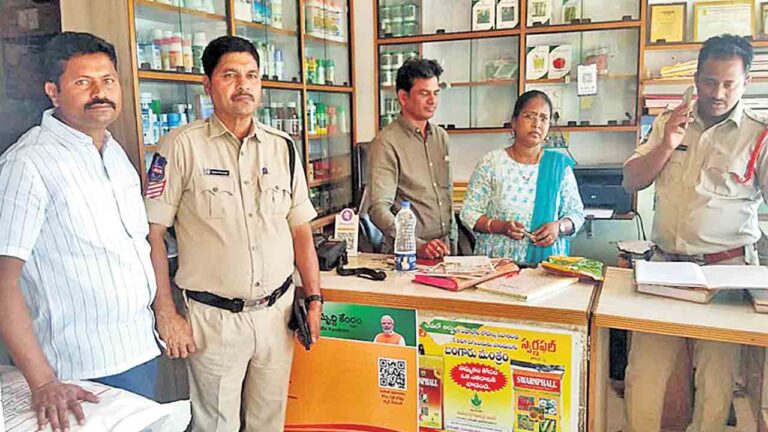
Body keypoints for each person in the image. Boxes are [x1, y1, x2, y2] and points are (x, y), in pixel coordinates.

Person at [144, 35, 323, 432]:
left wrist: (313, 297)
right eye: (230, 75)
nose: (243, 85)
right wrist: (166, 313)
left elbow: (300, 230)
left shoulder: (283, 147)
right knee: (216, 426)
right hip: (215, 321)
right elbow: (152, 235)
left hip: (277, 314)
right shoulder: (180, 146)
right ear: (208, 85)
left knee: (268, 423)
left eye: (251, 75)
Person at [0, 32, 160, 432]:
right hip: (77, 374)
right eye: (82, 82)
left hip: (140, 351)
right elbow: (4, 282)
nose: (99, 92)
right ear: (53, 92)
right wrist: (43, 382)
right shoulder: (28, 164)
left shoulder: (115, 153)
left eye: (107, 80)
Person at [622, 34, 768, 432]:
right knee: (644, 373)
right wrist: (667, 143)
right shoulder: (669, 121)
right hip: (665, 267)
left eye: (728, 83)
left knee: (717, 384)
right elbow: (632, 180)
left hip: (727, 271)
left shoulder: (759, 134)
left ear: (746, 82)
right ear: (696, 78)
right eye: (709, 81)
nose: (717, 93)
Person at [460, 90, 584, 263]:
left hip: (546, 266)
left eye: (543, 118)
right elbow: (469, 213)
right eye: (529, 116)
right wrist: (501, 227)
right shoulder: (492, 163)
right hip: (498, 265)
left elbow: (576, 214)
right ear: (514, 122)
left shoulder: (558, 167)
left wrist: (559, 227)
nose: (536, 124)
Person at [366, 57, 455, 260]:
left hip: (445, 248)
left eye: (435, 93)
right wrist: (415, 244)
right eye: (424, 93)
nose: (432, 100)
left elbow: (446, 195)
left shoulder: (441, 137)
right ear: (403, 97)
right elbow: (378, 209)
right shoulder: (386, 142)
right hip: (408, 254)